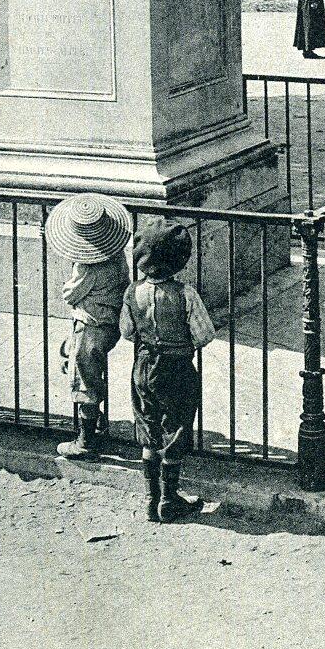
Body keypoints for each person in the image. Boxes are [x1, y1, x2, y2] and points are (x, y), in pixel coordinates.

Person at [120, 218, 215, 523]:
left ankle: (150, 499)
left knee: (148, 428)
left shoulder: (132, 293)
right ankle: (169, 499)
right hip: (177, 368)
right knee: (174, 429)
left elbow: (127, 332)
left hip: (144, 367)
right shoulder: (185, 293)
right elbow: (204, 335)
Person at [45, 193, 131, 459]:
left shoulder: (87, 266)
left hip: (90, 324)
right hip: (109, 321)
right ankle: (95, 425)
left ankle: (85, 441)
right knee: (84, 368)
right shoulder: (116, 255)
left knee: (84, 380)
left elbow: (70, 294)